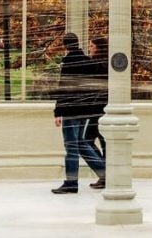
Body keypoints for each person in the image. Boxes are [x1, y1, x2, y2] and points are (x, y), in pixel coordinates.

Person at [50, 33, 106, 194]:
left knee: (72, 146)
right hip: (85, 111)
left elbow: (63, 89)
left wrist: (58, 111)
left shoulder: (68, 63)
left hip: (70, 110)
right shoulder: (88, 62)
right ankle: (105, 174)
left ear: (65, 46)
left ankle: (71, 182)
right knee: (81, 143)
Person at [87, 37, 109, 161]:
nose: (89, 48)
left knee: (87, 140)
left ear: (98, 48)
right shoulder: (108, 64)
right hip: (104, 106)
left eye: (91, 46)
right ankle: (105, 167)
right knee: (104, 140)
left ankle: (102, 167)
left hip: (98, 107)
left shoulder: (95, 65)